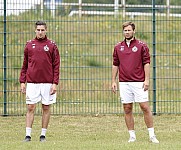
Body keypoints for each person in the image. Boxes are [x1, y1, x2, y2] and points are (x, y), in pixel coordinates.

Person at [111, 21, 159, 144]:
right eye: (125, 30)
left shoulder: (142, 46)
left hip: (139, 82)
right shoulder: (118, 47)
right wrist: (113, 81)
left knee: (144, 107)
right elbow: (115, 64)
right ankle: (132, 136)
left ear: (134, 31)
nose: (127, 32)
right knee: (127, 108)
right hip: (124, 82)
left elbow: (146, 63)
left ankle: (152, 135)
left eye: (129, 30)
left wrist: (147, 80)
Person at [19, 21, 60, 142]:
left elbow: (56, 66)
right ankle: (28, 135)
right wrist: (22, 81)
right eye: (38, 30)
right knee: (31, 107)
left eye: (42, 30)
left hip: (48, 83)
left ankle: (43, 135)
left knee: (46, 107)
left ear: (46, 30)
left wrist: (55, 83)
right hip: (32, 82)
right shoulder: (29, 45)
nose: (40, 32)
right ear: (35, 30)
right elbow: (25, 64)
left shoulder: (52, 45)